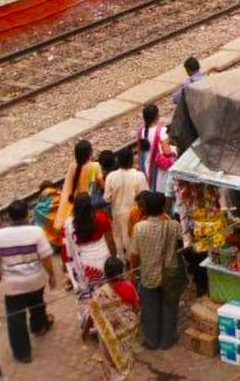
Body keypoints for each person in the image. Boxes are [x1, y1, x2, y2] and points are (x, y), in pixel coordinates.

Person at [0, 199, 57, 363]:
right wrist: (52, 275)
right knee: (37, 304)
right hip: (35, 280)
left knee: (16, 318)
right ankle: (39, 327)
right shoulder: (36, 232)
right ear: (27, 215)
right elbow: (45, 258)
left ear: (9, 217)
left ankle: (23, 353)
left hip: (12, 285)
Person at [129, 191, 181, 350]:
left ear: (145, 208)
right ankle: (167, 340)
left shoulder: (139, 228)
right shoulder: (173, 225)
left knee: (149, 310)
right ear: (163, 208)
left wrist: (134, 271)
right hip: (170, 274)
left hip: (148, 274)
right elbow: (181, 242)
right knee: (170, 308)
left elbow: (134, 254)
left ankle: (151, 341)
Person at [63, 192, 117, 336]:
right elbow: (110, 241)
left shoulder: (70, 224)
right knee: (105, 292)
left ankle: (91, 326)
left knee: (90, 295)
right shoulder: (101, 218)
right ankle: (108, 322)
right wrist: (114, 257)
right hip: (103, 260)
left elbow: (68, 248)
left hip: (85, 266)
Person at [105, 147, 147, 256]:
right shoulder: (139, 176)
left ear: (118, 161)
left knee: (119, 242)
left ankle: (123, 263)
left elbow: (107, 198)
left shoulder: (110, 177)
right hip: (134, 215)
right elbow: (145, 196)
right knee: (135, 243)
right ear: (131, 160)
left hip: (117, 215)